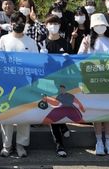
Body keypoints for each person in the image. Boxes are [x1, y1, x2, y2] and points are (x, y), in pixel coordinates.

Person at [0, 11, 38, 158]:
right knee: (6, 115)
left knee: (24, 116)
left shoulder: (31, 42)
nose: (18, 24)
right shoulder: (4, 40)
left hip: (25, 84)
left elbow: (36, 63)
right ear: (10, 23)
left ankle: (21, 145)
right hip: (7, 84)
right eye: (15, 21)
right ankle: (6, 146)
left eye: (21, 22)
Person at [78, 13, 109, 155]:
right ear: (92, 27)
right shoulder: (87, 40)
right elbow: (79, 59)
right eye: (96, 25)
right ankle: (99, 141)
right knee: (97, 111)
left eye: (102, 25)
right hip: (93, 81)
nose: (99, 27)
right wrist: (86, 47)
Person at [43, 14, 73, 157]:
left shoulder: (65, 43)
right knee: (53, 111)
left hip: (62, 82)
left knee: (63, 107)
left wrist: (68, 59)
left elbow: (73, 64)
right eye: (51, 23)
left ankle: (63, 125)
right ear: (46, 25)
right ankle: (59, 144)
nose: (53, 26)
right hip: (48, 82)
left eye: (56, 23)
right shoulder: (42, 44)